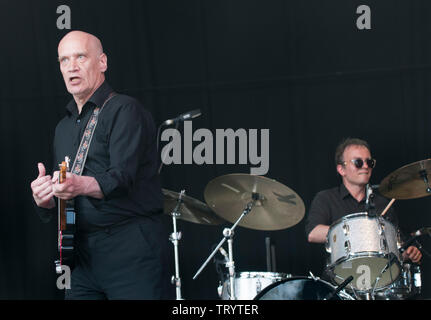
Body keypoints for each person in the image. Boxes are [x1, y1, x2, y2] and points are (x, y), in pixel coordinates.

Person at [30, 30, 170, 299]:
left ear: (102, 63)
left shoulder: (124, 110)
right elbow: (65, 196)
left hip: (130, 251)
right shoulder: (63, 128)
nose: (72, 66)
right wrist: (46, 198)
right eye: (64, 60)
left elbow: (121, 178)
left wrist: (78, 184)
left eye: (80, 57)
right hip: (80, 256)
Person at [306, 138, 422, 266]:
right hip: (338, 278)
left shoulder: (383, 204)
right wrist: (361, 232)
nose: (365, 166)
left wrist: (406, 255)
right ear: (341, 169)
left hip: (378, 279)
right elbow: (313, 233)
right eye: (358, 162)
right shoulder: (326, 198)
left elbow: (393, 247)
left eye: (369, 162)